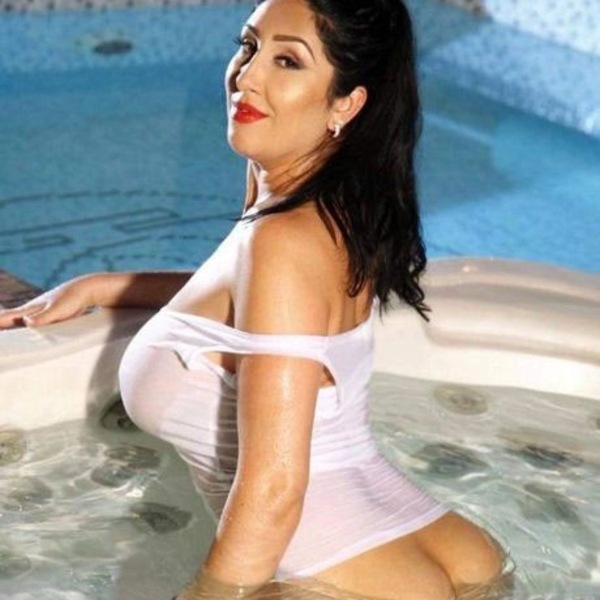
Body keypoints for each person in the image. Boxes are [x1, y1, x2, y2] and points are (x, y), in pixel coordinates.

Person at [0, 0, 509, 598]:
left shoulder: (283, 241)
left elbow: (272, 491)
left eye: (287, 61)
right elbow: (236, 304)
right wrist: (101, 286)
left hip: (339, 577)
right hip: (438, 545)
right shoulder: (333, 210)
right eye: (248, 46)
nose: (247, 75)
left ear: (346, 103)